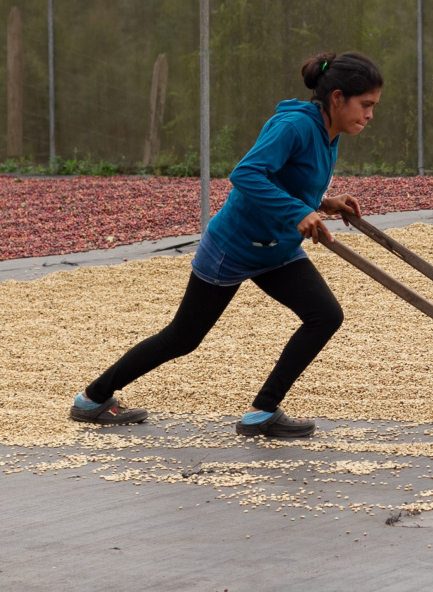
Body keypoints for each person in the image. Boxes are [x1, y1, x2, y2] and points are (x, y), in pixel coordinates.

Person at [69, 51, 383, 439]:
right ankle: (92, 398)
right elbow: (246, 174)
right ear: (337, 98)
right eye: (365, 105)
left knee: (325, 316)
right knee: (183, 337)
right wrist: (296, 212)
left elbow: (288, 182)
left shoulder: (328, 132)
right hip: (232, 248)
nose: (369, 115)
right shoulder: (294, 126)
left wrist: (323, 204)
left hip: (276, 247)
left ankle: (261, 412)